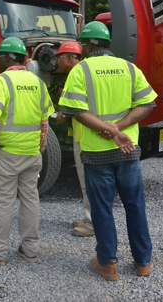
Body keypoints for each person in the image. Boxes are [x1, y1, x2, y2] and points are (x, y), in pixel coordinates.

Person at [59, 21, 157, 281]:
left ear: (88, 45)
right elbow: (148, 103)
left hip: (96, 154)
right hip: (128, 151)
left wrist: (108, 129)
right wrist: (120, 127)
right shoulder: (129, 68)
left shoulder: (81, 70)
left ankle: (108, 264)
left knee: (102, 209)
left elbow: (75, 110)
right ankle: (143, 263)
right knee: (135, 206)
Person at [0, 37, 54, 266]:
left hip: (7, 154)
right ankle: (30, 250)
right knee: (30, 199)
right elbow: (45, 120)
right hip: (32, 153)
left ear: (7, 58)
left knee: (3, 202)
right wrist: (40, 147)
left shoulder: (0, 82)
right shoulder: (37, 82)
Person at [55, 42, 94, 238]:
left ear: (70, 58)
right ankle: (89, 219)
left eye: (60, 57)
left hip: (85, 136)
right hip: (91, 133)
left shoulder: (75, 74)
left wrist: (57, 114)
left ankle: (92, 224)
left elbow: (66, 113)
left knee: (87, 180)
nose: (57, 62)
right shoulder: (86, 69)